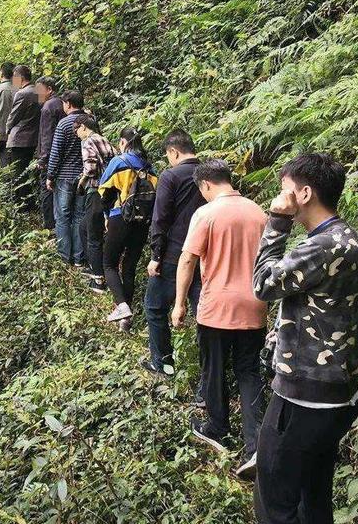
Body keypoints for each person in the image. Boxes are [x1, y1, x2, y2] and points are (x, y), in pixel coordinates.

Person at [251, 153, 358, 524]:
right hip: (338, 395)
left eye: (285, 189)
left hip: (303, 397)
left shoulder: (320, 247)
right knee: (312, 495)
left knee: (275, 501)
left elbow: (263, 284)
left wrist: (276, 222)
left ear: (304, 194)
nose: (280, 197)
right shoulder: (352, 240)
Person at [172, 158, 267, 480]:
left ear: (206, 185)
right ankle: (255, 446)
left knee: (213, 368)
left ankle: (217, 428)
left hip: (217, 307)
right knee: (249, 371)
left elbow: (188, 259)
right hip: (254, 305)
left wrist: (179, 304)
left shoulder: (206, 213)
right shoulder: (258, 213)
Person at [142, 129, 204, 377]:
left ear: (173, 151)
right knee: (202, 314)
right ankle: (207, 371)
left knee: (155, 308)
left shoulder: (170, 176)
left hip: (174, 253)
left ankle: (163, 365)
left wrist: (156, 255)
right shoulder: (210, 174)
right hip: (204, 255)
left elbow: (161, 218)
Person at [98, 127, 157, 328]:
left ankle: (122, 306)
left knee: (109, 264)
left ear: (123, 142)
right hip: (142, 222)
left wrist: (107, 215)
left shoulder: (119, 162)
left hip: (120, 217)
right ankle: (126, 319)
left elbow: (104, 192)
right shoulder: (149, 167)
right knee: (129, 266)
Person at [46, 91, 88, 265]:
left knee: (62, 216)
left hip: (64, 177)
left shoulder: (64, 123)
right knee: (79, 216)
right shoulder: (90, 121)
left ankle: (64, 256)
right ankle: (79, 257)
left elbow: (56, 152)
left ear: (68, 104)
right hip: (85, 177)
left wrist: (50, 176)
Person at [75, 116, 116, 293]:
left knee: (93, 234)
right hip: (109, 190)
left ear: (83, 127)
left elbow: (91, 168)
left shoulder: (88, 141)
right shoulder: (104, 139)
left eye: (76, 129)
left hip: (96, 190)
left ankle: (99, 279)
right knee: (84, 228)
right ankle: (94, 268)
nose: (76, 133)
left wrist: (82, 181)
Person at [5, 65, 41, 210]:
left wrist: (7, 129)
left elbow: (13, 116)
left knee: (18, 173)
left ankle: (23, 204)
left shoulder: (22, 94)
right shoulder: (39, 90)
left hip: (19, 138)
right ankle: (28, 202)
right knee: (25, 171)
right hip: (34, 137)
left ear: (20, 78)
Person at [35, 76, 65, 230]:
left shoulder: (48, 107)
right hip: (63, 154)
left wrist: (43, 159)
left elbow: (47, 135)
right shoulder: (62, 103)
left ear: (49, 89)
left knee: (47, 190)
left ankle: (49, 226)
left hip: (50, 156)